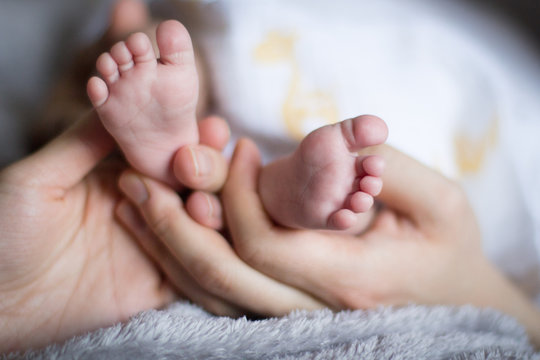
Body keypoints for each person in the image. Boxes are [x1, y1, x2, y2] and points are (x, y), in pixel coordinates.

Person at [1, 0, 539, 353]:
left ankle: (283, 190)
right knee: (161, 52)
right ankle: (260, 177)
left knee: (169, 59)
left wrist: (486, 293)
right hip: (255, 67)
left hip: (445, 188)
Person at [86, 19, 388, 233]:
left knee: (357, 197)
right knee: (164, 47)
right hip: (216, 84)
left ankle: (291, 194)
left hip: (230, 114)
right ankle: (174, 144)